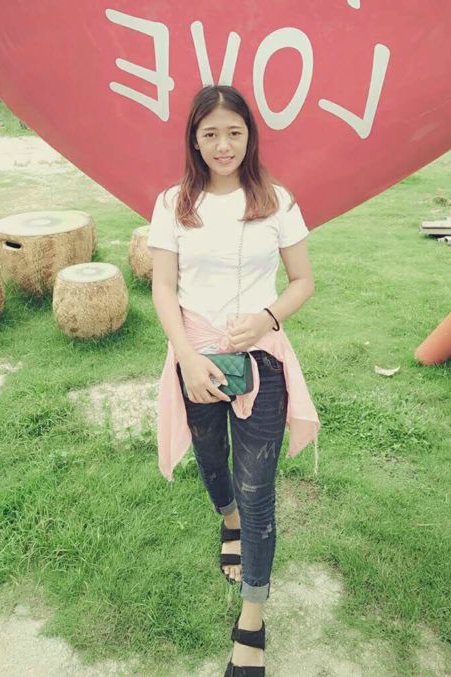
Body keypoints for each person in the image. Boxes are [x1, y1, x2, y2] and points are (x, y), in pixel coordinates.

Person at [147, 84, 320, 677]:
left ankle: (252, 620)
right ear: (195, 140)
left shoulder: (276, 201)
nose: (224, 145)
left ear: (250, 136)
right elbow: (162, 288)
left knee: (258, 487)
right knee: (212, 463)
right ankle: (227, 518)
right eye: (211, 134)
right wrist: (186, 357)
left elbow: (303, 281)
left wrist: (266, 318)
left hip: (260, 362)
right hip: (195, 359)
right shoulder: (173, 204)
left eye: (234, 132)